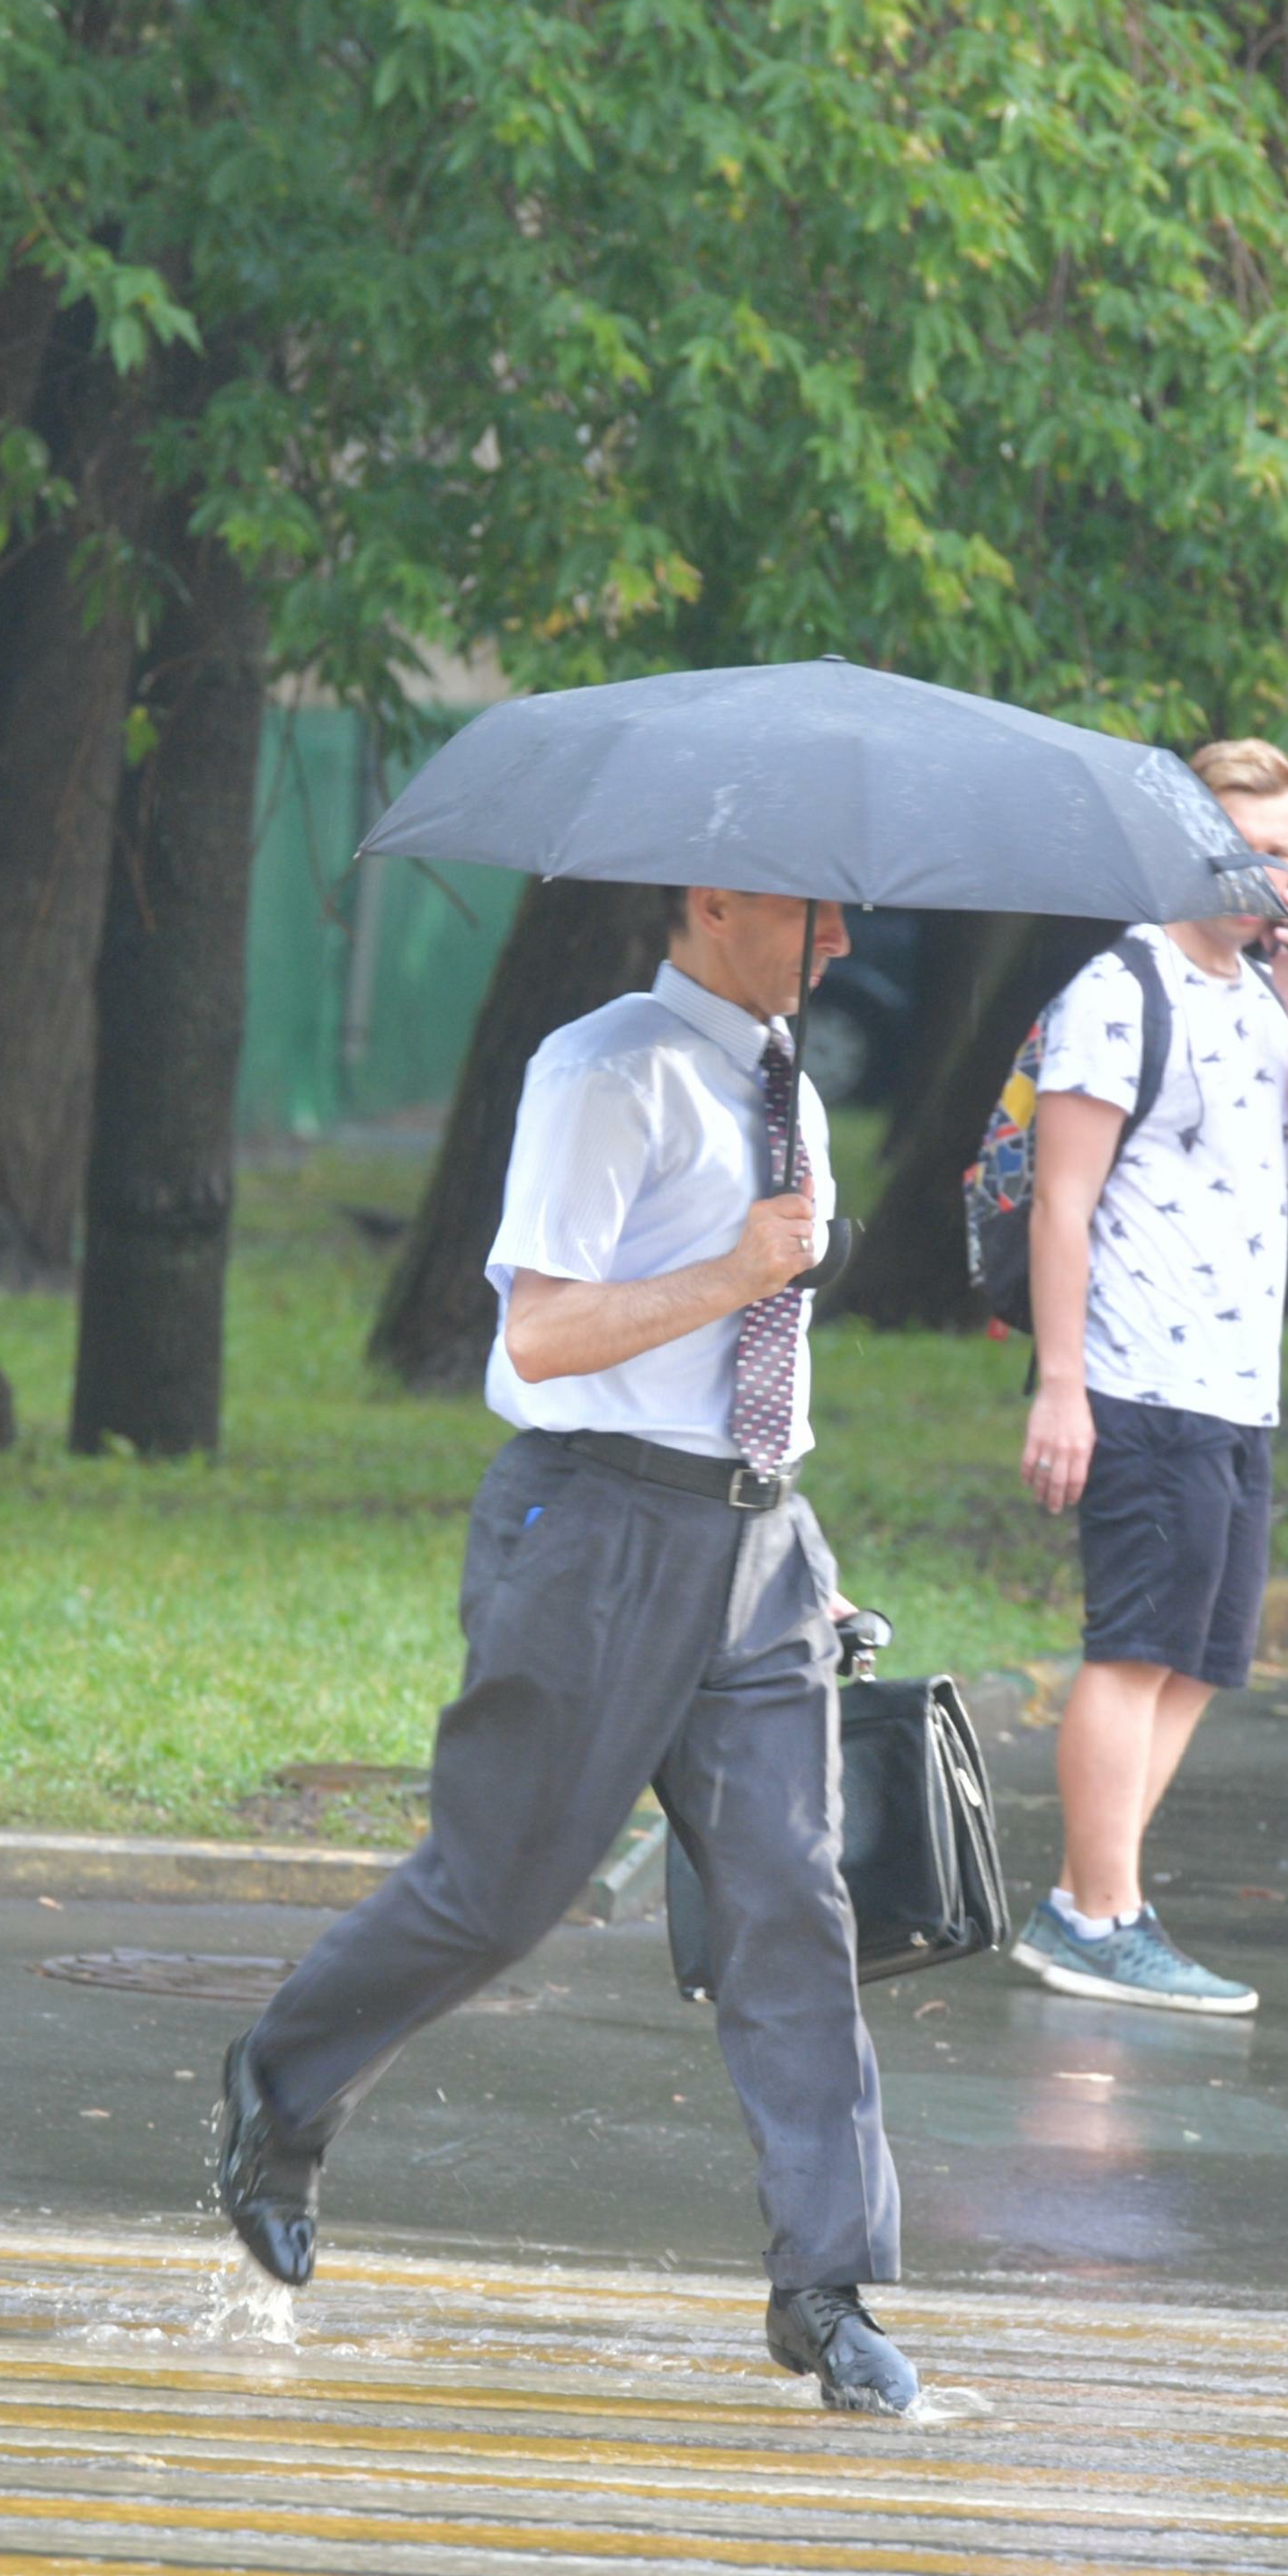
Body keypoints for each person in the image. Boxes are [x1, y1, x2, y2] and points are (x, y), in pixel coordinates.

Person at [209, 883, 926, 2414]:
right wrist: (743, 1267)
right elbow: (536, 1336)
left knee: (793, 1905)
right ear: (718, 900)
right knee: (500, 1892)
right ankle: (282, 2083)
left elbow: (761, 1349)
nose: (845, 948)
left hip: (756, 1541)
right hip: (594, 1529)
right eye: (820, 915)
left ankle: (827, 2286)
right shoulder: (602, 1071)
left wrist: (801, 1541)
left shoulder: (782, 1071)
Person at [1003, 740, 1288, 2016]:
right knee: (1135, 1646)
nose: (1267, 874)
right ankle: (1101, 1913)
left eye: (1283, 850)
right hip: (1137, 1374)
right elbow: (1061, 1201)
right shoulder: (1123, 984)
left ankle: (1094, 1897)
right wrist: (1061, 1384)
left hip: (1233, 1383)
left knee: (1204, 1656)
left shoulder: (1264, 999)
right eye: (1241, 848)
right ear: (1179, 845)